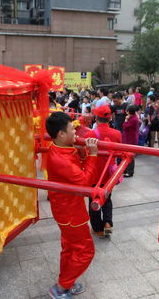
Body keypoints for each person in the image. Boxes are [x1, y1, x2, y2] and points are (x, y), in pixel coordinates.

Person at [45, 112, 99, 299]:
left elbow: (75, 173)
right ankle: (62, 287)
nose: (75, 132)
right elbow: (84, 183)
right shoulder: (61, 158)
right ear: (60, 134)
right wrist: (92, 155)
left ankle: (66, 282)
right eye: (71, 129)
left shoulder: (61, 148)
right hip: (70, 213)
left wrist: (83, 155)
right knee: (86, 251)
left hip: (65, 209)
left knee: (70, 248)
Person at [84, 106, 122, 238]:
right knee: (107, 198)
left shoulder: (90, 135)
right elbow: (119, 153)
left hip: (93, 172)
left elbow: (86, 153)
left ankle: (97, 229)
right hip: (108, 173)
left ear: (96, 118)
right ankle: (107, 223)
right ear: (109, 118)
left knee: (93, 199)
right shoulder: (117, 134)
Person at [123, 105, 140, 178]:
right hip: (129, 138)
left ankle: (130, 172)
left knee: (130, 155)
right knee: (127, 154)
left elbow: (125, 126)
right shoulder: (134, 118)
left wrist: (126, 120)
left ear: (128, 112)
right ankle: (126, 170)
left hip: (131, 139)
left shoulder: (133, 119)